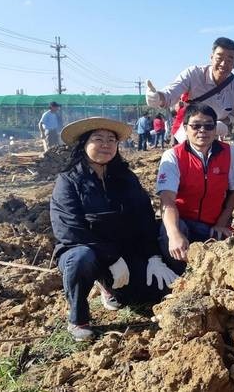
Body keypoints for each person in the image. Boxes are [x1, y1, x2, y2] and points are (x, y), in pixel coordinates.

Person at [50, 117, 177, 341]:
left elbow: (145, 217)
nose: (106, 145)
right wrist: (111, 258)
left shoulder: (125, 178)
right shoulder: (68, 181)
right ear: (84, 144)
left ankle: (109, 287)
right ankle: (78, 318)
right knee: (81, 259)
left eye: (111, 140)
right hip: (88, 250)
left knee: (152, 292)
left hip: (124, 251)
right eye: (98, 139)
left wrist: (153, 257)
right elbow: (70, 230)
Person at [156, 103, 234, 272]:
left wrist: (221, 223)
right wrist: (174, 234)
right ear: (185, 128)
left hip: (212, 224)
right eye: (196, 126)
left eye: (208, 126)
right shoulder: (173, 156)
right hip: (182, 221)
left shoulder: (230, 153)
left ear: (215, 129)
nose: (202, 130)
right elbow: (167, 199)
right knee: (173, 242)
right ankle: (179, 277)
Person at [146, 37, 234, 131]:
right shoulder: (193, 74)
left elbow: (233, 115)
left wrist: (220, 124)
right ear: (211, 57)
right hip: (187, 135)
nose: (223, 64)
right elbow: (171, 92)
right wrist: (158, 97)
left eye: (229, 60)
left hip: (213, 135)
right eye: (219, 58)